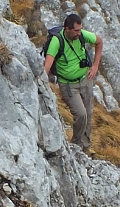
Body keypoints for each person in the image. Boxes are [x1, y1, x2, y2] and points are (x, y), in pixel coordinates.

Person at [43, 13, 103, 152]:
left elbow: (99, 42)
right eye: (76, 30)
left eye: (80, 29)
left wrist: (95, 66)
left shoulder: (81, 35)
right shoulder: (57, 41)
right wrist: (40, 83)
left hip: (86, 79)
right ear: (67, 29)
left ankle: (86, 149)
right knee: (81, 114)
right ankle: (76, 146)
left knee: (88, 114)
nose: (79, 33)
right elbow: (47, 64)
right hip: (68, 85)